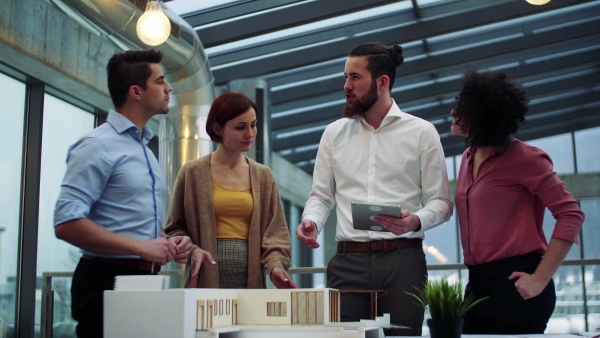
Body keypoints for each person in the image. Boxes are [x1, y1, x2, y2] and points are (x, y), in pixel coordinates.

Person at [296, 42, 453, 336]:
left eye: (355, 77)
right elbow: (321, 196)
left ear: (382, 82)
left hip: (403, 262)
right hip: (348, 262)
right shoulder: (333, 133)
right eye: (346, 77)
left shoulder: (422, 132)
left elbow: (442, 202)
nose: (346, 85)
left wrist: (416, 220)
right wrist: (312, 221)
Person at [53, 49, 192, 338]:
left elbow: (129, 223)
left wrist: (166, 242)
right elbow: (65, 223)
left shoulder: (144, 148)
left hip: (144, 279)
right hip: (105, 281)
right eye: (160, 81)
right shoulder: (96, 146)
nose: (169, 88)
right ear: (136, 91)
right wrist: (141, 247)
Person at [451, 69, 585, 334]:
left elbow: (571, 214)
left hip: (517, 281)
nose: (454, 113)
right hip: (477, 283)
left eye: (463, 108)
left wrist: (540, 278)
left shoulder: (525, 158)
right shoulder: (468, 157)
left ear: (483, 116)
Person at [164, 91, 297, 290]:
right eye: (240, 127)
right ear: (218, 128)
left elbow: (276, 233)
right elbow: (174, 229)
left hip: (252, 280)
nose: (250, 134)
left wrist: (276, 266)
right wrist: (192, 250)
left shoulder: (263, 176)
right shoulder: (192, 172)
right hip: (204, 278)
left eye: (253, 125)